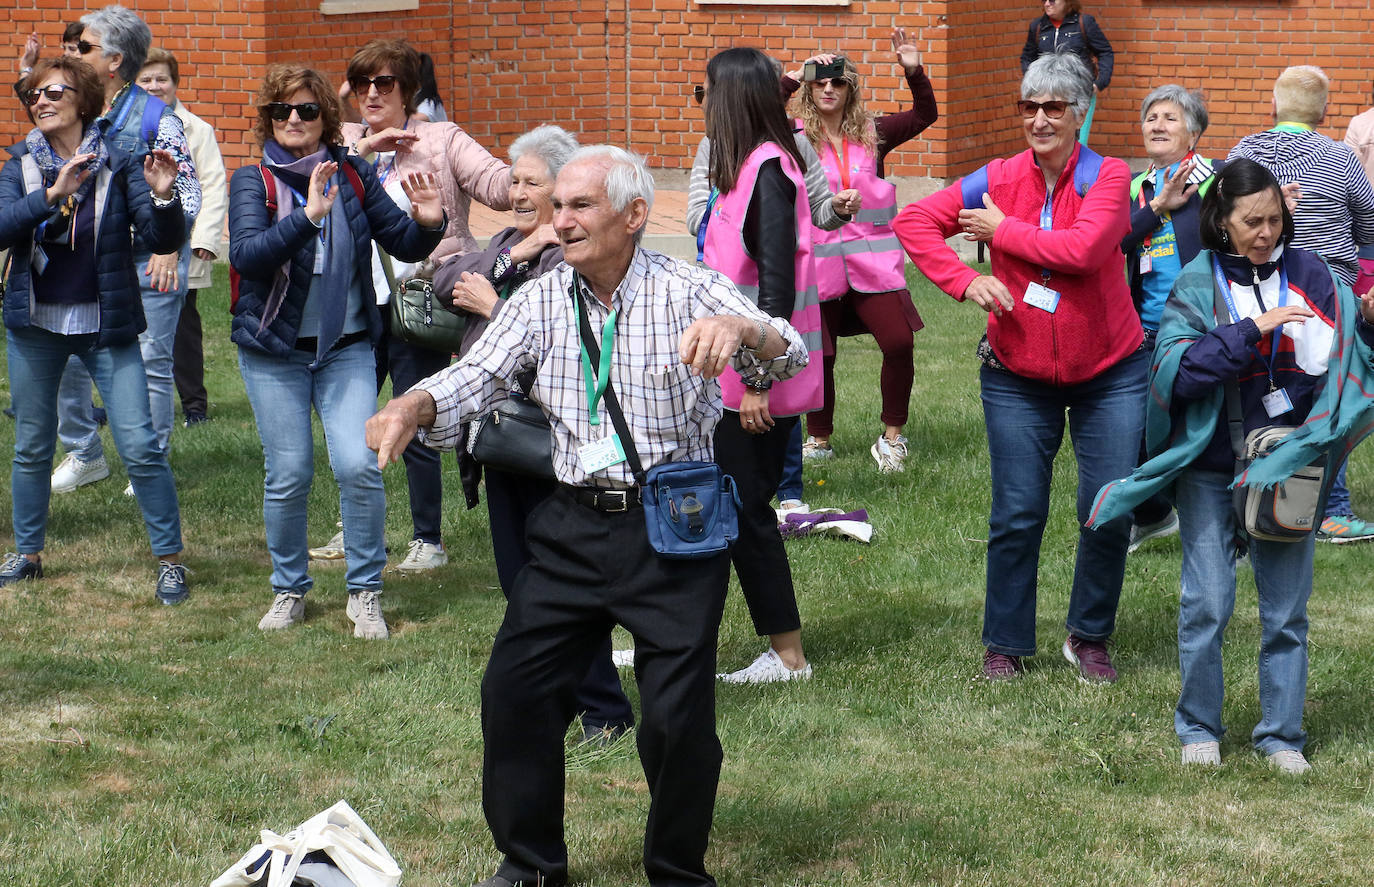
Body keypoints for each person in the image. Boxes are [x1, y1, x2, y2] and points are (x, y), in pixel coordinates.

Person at [366, 144, 807, 887]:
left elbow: (786, 351)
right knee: (515, 689)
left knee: (674, 721)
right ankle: (531, 863)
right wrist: (416, 402)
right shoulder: (542, 298)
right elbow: (479, 374)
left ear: (635, 216)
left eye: (578, 206)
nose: (558, 221)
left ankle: (675, 869)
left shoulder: (687, 289)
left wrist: (746, 332)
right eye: (555, 204)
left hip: (673, 526)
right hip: (571, 524)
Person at [1089, 160, 1374, 774]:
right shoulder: (1198, 280)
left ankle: (1282, 736)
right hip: (1211, 465)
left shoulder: (1314, 274)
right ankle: (1199, 728)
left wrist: (1366, 320)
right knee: (1207, 603)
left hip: (1289, 466)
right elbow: (1180, 372)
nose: (1266, 232)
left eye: (1275, 219)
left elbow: (1347, 364)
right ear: (1221, 220)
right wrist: (1253, 329)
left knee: (1286, 609)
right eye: (1251, 222)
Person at [893, 53, 1144, 683]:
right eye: (1029, 106)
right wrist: (961, 279)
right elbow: (914, 220)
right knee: (1017, 513)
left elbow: (1086, 251)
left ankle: (1089, 636)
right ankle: (1005, 645)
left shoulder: (1109, 176)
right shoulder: (998, 176)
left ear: (1079, 113)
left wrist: (1002, 232)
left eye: (1053, 107)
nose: (1039, 119)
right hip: (1014, 371)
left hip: (1111, 371)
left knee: (1107, 507)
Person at [431, 124, 635, 743]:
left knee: (552, 581)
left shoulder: (567, 259)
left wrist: (498, 310)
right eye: (513, 180)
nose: (518, 193)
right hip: (502, 442)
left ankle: (603, 709)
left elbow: (579, 346)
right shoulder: (514, 245)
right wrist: (511, 256)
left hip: (553, 442)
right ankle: (569, 697)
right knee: (518, 576)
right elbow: (445, 282)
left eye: (533, 183)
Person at [229, 64, 445, 639]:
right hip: (274, 349)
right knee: (290, 472)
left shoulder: (353, 175)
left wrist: (429, 223)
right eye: (281, 111)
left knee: (358, 464)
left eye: (305, 110)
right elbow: (248, 256)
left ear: (326, 118)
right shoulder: (254, 181)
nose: (293, 121)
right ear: (268, 120)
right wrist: (306, 218)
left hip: (345, 348)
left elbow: (401, 237)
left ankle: (365, 592)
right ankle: (289, 589)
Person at [317, 39, 511, 572]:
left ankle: (428, 539)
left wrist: (535, 176)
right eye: (362, 85)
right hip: (359, 303)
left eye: (385, 84)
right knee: (350, 418)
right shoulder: (345, 141)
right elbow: (322, 187)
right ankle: (356, 527)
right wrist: (365, 149)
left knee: (416, 412)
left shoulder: (440, 138)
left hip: (419, 303)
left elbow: (496, 184)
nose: (372, 94)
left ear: (408, 90)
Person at [0, 55, 189, 602]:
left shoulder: (122, 163)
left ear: (83, 100)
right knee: (32, 446)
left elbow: (159, 235)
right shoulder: (20, 167)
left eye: (55, 92)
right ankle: (28, 553)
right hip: (35, 323)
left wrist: (162, 194)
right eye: (35, 94)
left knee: (139, 445)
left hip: (105, 324)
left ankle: (170, 560)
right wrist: (51, 196)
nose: (42, 101)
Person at [697, 48, 824, 685]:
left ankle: (788, 655)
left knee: (745, 513)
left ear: (734, 99)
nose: (703, 106)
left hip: (755, 381)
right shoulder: (742, 169)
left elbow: (774, 293)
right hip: (727, 376)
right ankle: (681, 638)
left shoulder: (771, 172)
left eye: (708, 93)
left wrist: (754, 383)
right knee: (724, 510)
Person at [50, 4, 201, 498]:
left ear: (114, 61)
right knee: (65, 358)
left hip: (142, 259)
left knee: (149, 360)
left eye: (83, 48)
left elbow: (190, 195)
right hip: (80, 259)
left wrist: (168, 244)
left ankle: (147, 463)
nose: (71, 55)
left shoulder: (157, 117)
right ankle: (85, 452)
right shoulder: (73, 108)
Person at [1230, 65, 1374, 543]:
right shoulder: (1340, 156)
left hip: (1259, 291)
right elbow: (1370, 226)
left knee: (1256, 391)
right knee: (1331, 394)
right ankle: (1330, 508)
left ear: (1272, 107)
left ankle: (1249, 494)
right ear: (1325, 112)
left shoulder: (1243, 153)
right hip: (1329, 292)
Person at [786, 29, 937, 472]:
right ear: (810, 91)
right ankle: (819, 438)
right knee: (821, 353)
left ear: (850, 88)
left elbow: (925, 113)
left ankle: (893, 437)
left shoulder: (874, 132)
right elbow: (756, 121)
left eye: (837, 81)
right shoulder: (791, 137)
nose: (829, 89)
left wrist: (913, 69)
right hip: (818, 266)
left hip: (873, 264)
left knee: (898, 341)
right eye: (820, 82)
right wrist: (792, 77)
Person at [1120, 84, 1223, 553]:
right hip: (1143, 327)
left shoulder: (1217, 183)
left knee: (1209, 432)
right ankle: (1154, 513)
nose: (1158, 126)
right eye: (1151, 118)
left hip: (1204, 329)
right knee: (1131, 429)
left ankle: (1232, 534)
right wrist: (1156, 208)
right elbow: (1117, 243)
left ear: (1194, 132)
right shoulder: (1136, 188)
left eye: (1170, 118)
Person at [136, 46, 227, 427]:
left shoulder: (197, 129)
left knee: (183, 325)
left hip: (182, 246)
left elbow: (212, 183)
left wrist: (204, 238)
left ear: (175, 83)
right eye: (146, 79)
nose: (155, 85)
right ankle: (134, 400)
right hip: (136, 246)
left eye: (162, 78)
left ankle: (194, 405)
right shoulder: (127, 127)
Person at [1019, 0, 1112, 145]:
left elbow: (1105, 52)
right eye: (1044, 0)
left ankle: (1076, 167)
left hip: (1080, 93)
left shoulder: (1084, 23)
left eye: (1052, 0)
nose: (1047, 4)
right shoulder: (1038, 26)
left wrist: (1099, 83)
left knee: (1079, 140)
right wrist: (1032, 80)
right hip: (1046, 94)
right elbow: (1027, 56)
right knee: (1052, 138)